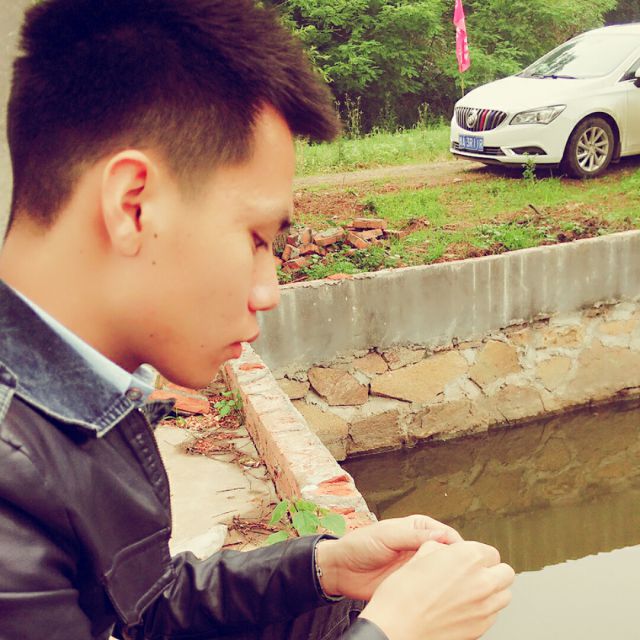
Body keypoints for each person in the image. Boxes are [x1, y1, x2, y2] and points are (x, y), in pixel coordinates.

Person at [0, 1, 515, 638]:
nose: (268, 292)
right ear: (133, 206)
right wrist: (396, 631)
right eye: (257, 238)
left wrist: (323, 568)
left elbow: (142, 612)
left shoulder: (77, 398)